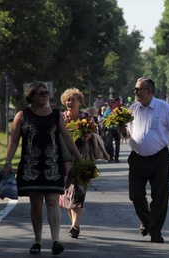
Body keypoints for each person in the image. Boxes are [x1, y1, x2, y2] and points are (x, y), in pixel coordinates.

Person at [3, 81, 80, 255]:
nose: (45, 95)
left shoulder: (55, 114)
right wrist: (8, 162)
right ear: (31, 96)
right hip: (31, 167)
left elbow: (67, 137)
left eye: (46, 93)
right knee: (36, 203)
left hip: (53, 165)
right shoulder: (22, 116)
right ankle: (37, 241)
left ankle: (55, 240)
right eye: (41, 93)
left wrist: (79, 157)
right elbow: (14, 141)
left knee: (53, 201)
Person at [120, 77, 169, 243]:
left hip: (159, 158)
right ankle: (147, 221)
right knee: (135, 194)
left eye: (139, 89)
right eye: (135, 89)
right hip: (137, 159)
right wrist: (121, 129)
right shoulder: (133, 109)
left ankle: (156, 232)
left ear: (150, 91)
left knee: (159, 197)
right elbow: (127, 135)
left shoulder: (163, 107)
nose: (135, 92)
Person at [61, 87, 104, 239]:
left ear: (79, 102)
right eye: (67, 99)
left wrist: (89, 137)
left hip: (83, 159)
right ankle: (74, 223)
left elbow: (96, 134)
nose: (69, 102)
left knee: (79, 193)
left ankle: (75, 225)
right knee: (67, 195)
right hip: (64, 161)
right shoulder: (61, 118)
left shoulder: (86, 117)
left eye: (73, 99)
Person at [103, 98, 121, 162]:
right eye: (110, 102)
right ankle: (110, 156)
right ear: (108, 103)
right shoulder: (107, 112)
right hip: (110, 129)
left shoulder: (118, 110)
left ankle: (116, 157)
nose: (112, 103)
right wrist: (104, 131)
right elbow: (104, 122)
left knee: (117, 144)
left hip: (117, 129)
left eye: (113, 102)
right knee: (109, 143)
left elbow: (121, 119)